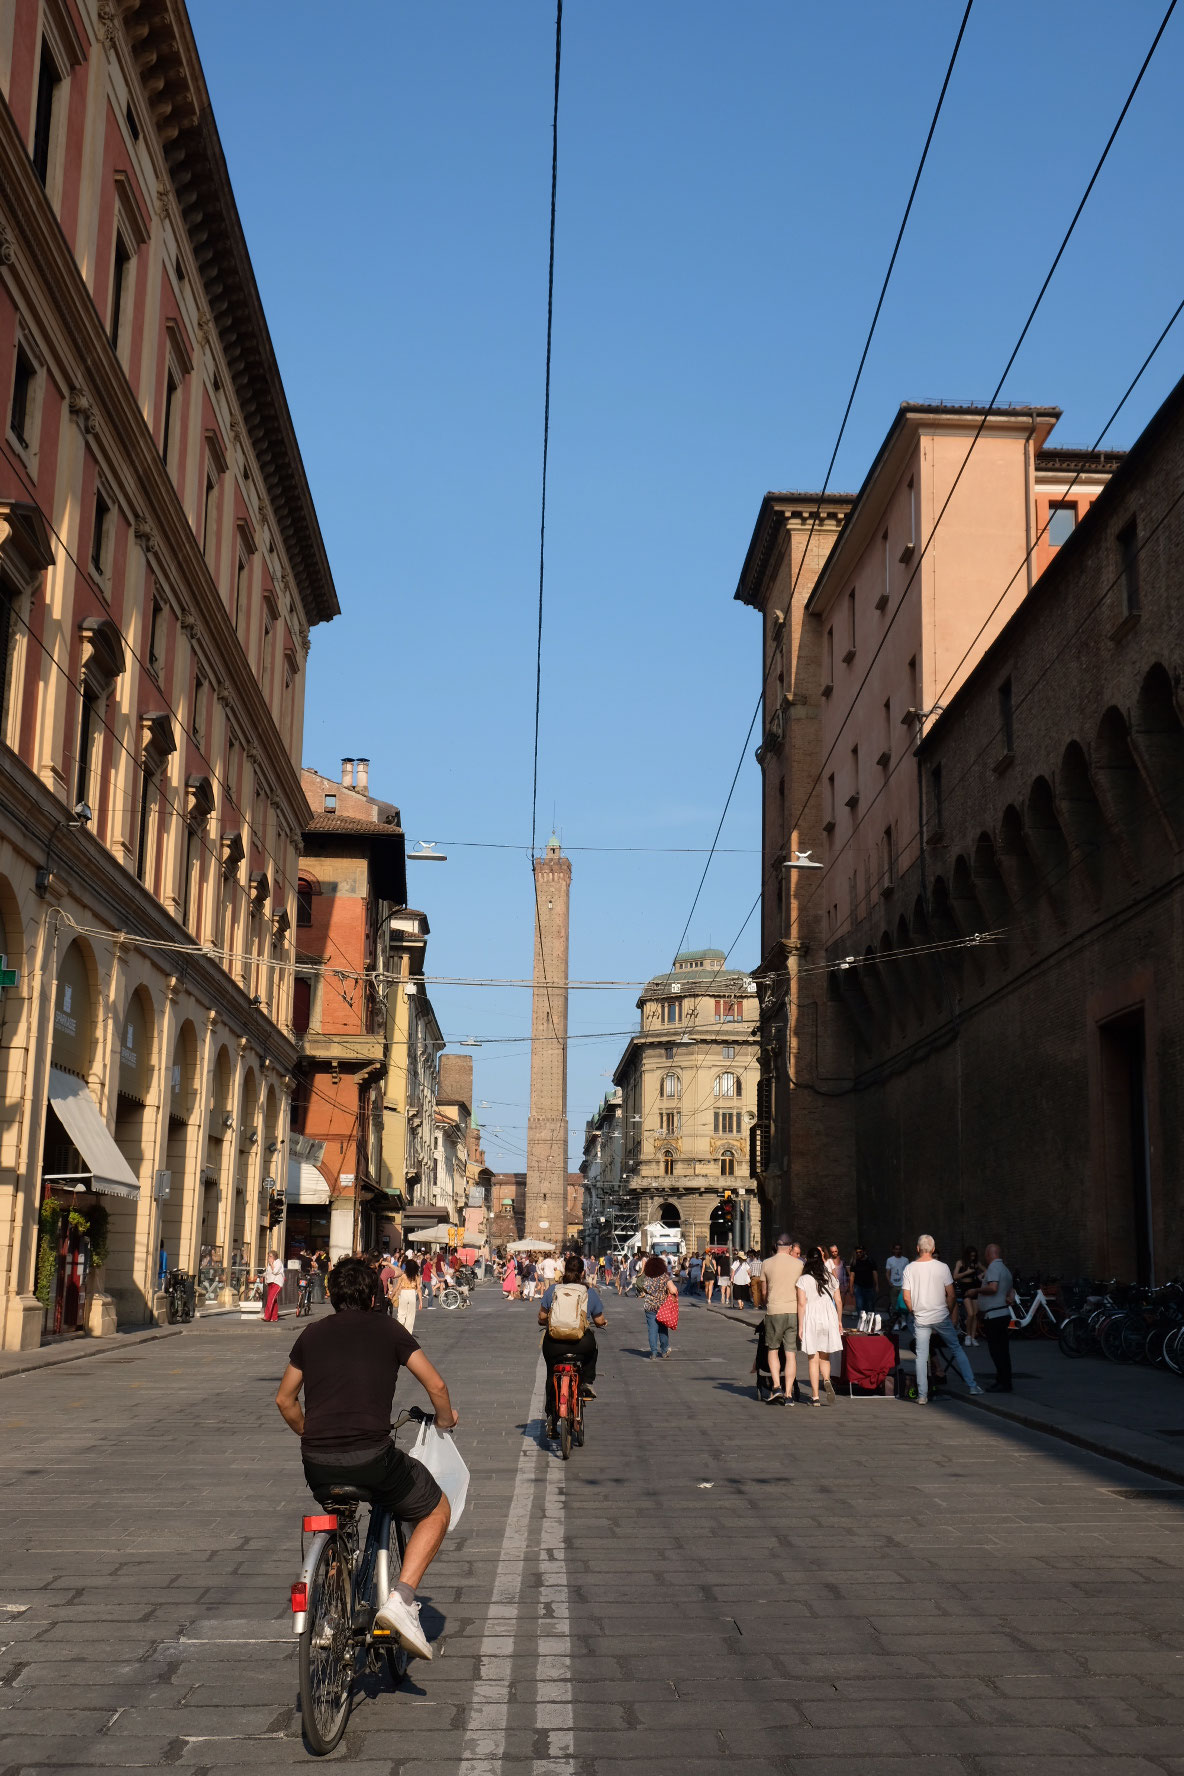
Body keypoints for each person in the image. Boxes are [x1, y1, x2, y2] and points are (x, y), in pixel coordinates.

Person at [274, 1255, 458, 1663]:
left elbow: (285, 1399)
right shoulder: (387, 1330)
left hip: (317, 1460)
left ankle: (330, 1611)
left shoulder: (312, 1334)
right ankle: (402, 1600)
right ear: (375, 1295)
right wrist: (446, 1420)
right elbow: (437, 1385)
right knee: (435, 1509)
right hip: (372, 1457)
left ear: (333, 1295)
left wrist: (310, 1432)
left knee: (341, 1520)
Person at [902, 1235, 984, 1405]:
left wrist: (914, 1312)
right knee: (956, 1348)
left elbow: (906, 1297)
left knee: (922, 1355)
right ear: (933, 1249)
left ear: (918, 1249)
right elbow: (951, 1294)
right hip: (941, 1316)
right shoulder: (943, 1267)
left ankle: (923, 1395)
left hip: (921, 1317)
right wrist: (947, 1310)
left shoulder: (909, 1268)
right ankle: (972, 1385)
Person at [538, 1253, 608, 1425]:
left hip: (554, 1343)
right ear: (583, 1273)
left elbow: (541, 1317)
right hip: (581, 1344)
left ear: (564, 1270)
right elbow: (599, 1320)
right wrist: (603, 1323)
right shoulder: (589, 1292)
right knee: (594, 1348)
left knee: (551, 1374)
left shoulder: (552, 1290)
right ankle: (587, 1382)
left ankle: (551, 1417)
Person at [796, 1246, 845, 1405]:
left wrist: (800, 1326)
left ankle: (815, 1396)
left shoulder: (803, 1279)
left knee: (813, 1358)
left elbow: (802, 1304)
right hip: (828, 1316)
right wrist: (839, 1321)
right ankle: (826, 1379)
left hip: (812, 1317)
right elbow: (838, 1301)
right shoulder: (831, 1278)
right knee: (825, 1356)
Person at [761, 1233, 804, 1404]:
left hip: (774, 1310)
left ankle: (776, 1386)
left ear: (776, 1246)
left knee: (772, 1349)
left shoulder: (767, 1263)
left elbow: (763, 1292)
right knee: (791, 1353)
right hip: (793, 1311)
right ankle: (788, 1394)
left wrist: (766, 1302)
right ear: (791, 1247)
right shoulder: (799, 1264)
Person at [974, 1242, 1014, 1392]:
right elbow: (1011, 1292)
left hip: (994, 1316)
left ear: (989, 1254)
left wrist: (975, 1291)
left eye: (985, 1254)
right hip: (1002, 1314)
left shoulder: (993, 1268)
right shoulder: (1005, 1269)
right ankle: (1004, 1380)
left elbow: (993, 1288)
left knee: (996, 1351)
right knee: (1003, 1350)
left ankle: (1003, 1382)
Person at [639, 1254, 677, 1359]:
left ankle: (654, 1352)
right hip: (662, 1307)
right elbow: (673, 1290)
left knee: (652, 1329)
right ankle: (664, 1351)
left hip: (649, 1306)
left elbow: (641, 1288)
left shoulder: (646, 1278)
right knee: (663, 1329)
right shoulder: (664, 1277)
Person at [953, 1246, 984, 1345]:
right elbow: (955, 1276)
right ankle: (968, 1336)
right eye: (971, 1256)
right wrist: (967, 1272)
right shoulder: (960, 1262)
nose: (972, 1258)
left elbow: (987, 1270)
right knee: (970, 1313)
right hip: (965, 1289)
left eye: (974, 1256)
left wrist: (981, 1275)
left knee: (975, 1314)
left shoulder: (976, 1263)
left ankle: (973, 1337)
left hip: (974, 1287)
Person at [393, 1257, 421, 1333]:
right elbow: (418, 1289)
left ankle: (399, 1331)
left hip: (404, 1293)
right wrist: (421, 1302)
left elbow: (397, 1287)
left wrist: (392, 1295)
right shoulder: (416, 1277)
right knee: (411, 1315)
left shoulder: (403, 1276)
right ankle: (408, 1332)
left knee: (401, 1313)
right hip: (412, 1293)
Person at [851, 1247, 878, 1319]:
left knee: (870, 1306)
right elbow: (852, 1275)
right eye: (857, 1252)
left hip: (869, 1286)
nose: (858, 1254)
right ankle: (861, 1323)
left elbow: (874, 1273)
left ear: (864, 1252)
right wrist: (851, 1287)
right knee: (860, 1306)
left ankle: (870, 1323)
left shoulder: (870, 1261)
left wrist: (877, 1285)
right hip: (858, 1287)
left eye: (860, 1252)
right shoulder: (854, 1262)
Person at [262, 1249, 285, 1322]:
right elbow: (268, 1273)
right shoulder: (269, 1264)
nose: (269, 1258)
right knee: (273, 1300)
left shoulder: (278, 1262)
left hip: (277, 1283)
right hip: (270, 1283)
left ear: (274, 1256)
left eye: (270, 1256)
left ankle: (267, 1316)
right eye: (268, 1256)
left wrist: (272, 1264)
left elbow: (275, 1271)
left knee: (270, 1299)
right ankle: (274, 1317)